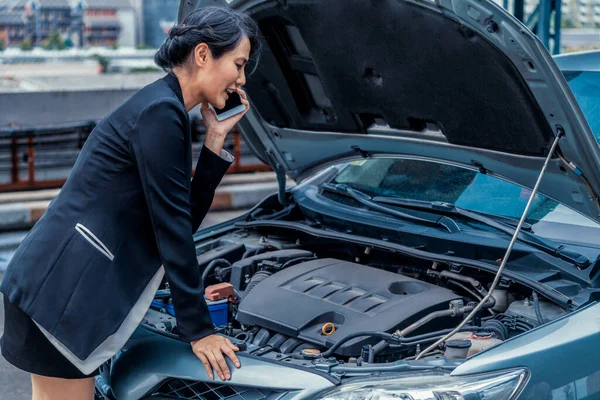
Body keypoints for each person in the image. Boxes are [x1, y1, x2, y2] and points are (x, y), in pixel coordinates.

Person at [0, 6, 262, 400]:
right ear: (204, 55)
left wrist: (214, 140)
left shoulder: (163, 107)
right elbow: (173, 230)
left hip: (55, 287)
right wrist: (200, 331)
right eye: (238, 64)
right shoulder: (161, 113)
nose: (241, 79)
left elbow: (178, 217)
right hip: (62, 296)